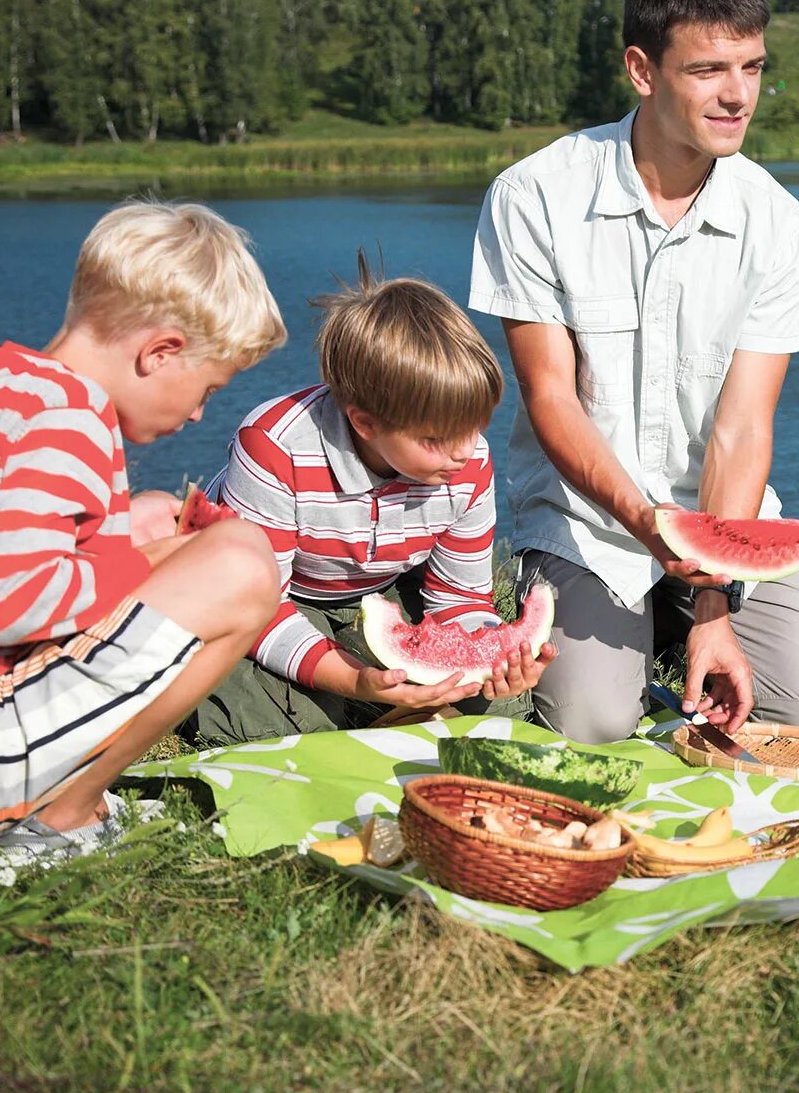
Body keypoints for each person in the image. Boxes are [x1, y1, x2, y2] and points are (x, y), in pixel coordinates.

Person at [467, 0, 799, 744]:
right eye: (709, 70)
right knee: (593, 721)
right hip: (586, 522)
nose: (738, 96)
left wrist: (713, 601)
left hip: (723, 525)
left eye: (752, 68)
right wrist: (649, 527)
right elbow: (550, 397)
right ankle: (630, 661)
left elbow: (743, 428)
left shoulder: (780, 225)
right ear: (642, 71)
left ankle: (683, 631)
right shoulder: (533, 196)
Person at [0, 200, 286, 863]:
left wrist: (136, 532)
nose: (196, 416)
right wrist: (152, 556)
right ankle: (58, 821)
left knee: (153, 506)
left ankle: (54, 802)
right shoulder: (69, 423)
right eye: (207, 389)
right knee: (242, 566)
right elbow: (13, 605)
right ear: (161, 351)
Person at [183, 264, 555, 745]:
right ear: (365, 422)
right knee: (277, 723)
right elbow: (256, 607)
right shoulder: (275, 447)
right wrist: (353, 679)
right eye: (437, 439)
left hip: (368, 593)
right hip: (256, 599)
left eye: (476, 426)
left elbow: (460, 600)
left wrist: (498, 657)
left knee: (501, 700)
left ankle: (366, 706)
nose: (465, 451)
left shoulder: (468, 461)